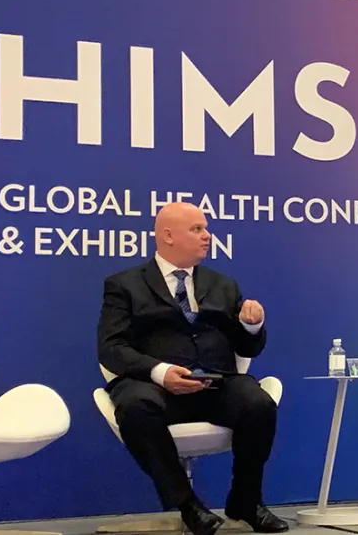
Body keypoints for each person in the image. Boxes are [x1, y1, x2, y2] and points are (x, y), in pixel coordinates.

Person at [97, 202, 289, 535]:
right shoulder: (124, 285)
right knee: (135, 407)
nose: (207, 236)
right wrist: (160, 371)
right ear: (168, 236)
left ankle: (246, 501)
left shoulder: (223, 285)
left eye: (206, 228)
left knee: (258, 404)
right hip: (154, 385)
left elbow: (247, 348)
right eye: (197, 229)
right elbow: (111, 347)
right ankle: (188, 506)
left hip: (215, 383)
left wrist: (251, 326)